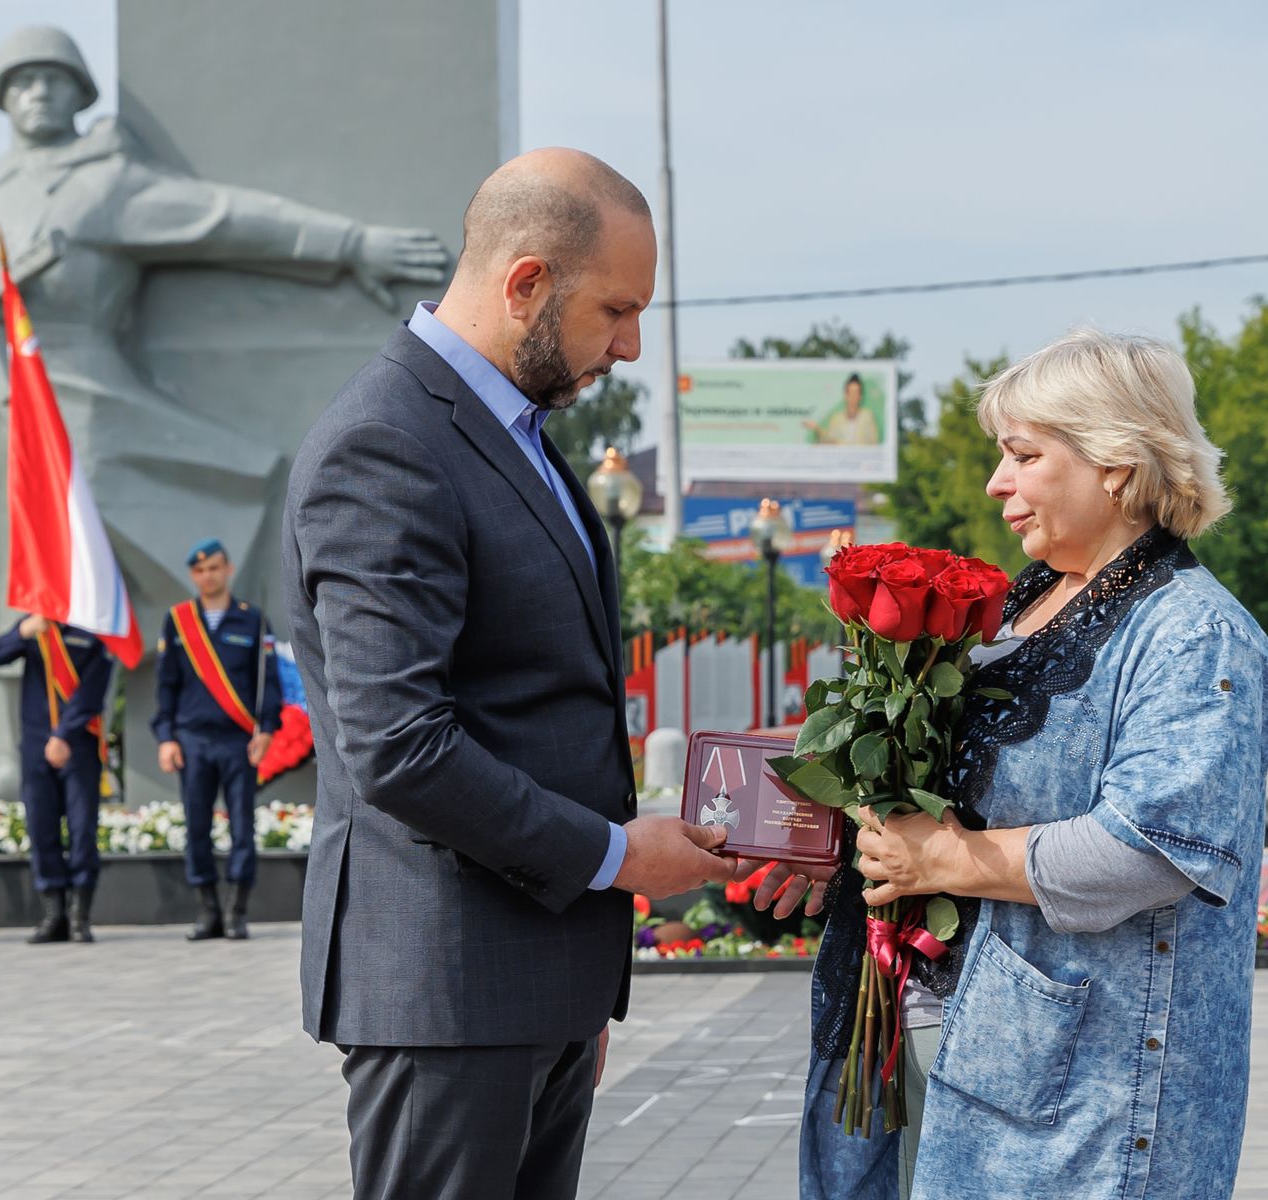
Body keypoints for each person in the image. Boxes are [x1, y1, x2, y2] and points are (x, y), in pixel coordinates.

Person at [283, 148, 738, 1200]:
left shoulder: (512, 432)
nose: (629, 346)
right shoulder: (387, 442)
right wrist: (615, 855)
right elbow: (399, 746)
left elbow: (535, 701)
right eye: (615, 311)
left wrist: (571, 996)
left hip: (530, 990)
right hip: (448, 998)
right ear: (525, 281)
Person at [757, 329, 1268, 1199]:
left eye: (1024, 454)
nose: (997, 483)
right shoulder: (1024, 605)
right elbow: (949, 795)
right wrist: (841, 834)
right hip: (977, 1061)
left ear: (1115, 463)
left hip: (1089, 1103)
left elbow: (1149, 850)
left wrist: (948, 858)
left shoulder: (1193, 632)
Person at [0, 24, 446, 810]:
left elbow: (224, 218)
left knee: (162, 522)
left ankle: (225, 690)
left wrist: (353, 243)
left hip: (82, 393)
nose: (36, 93)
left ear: (81, 91)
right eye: (19, 81)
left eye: (53, 78)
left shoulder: (102, 181)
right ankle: (18, 760)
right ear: (0, 97)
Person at [153, 538, 282, 942]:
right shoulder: (177, 621)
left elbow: (269, 683)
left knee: (242, 826)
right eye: (200, 570)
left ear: (228, 570)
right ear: (193, 575)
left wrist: (266, 729)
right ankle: (207, 911)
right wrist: (165, 738)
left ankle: (236, 912)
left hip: (238, 742)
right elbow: (166, 687)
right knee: (196, 827)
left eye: (214, 568)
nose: (207, 576)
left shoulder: (253, 621)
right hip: (192, 740)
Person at [0, 614, 113, 944]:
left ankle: (79, 915)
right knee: (41, 829)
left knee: (82, 830)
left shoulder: (91, 629)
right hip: (35, 746)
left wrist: (64, 735)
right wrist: (22, 631)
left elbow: (93, 692)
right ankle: (54, 912)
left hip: (78, 746)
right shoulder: (34, 627)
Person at [804, 373, 882, 445]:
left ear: (860, 396)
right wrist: (817, 429)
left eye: (856, 393)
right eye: (851, 393)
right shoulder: (837, 418)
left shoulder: (867, 417)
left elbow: (874, 443)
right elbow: (828, 440)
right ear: (845, 395)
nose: (853, 396)